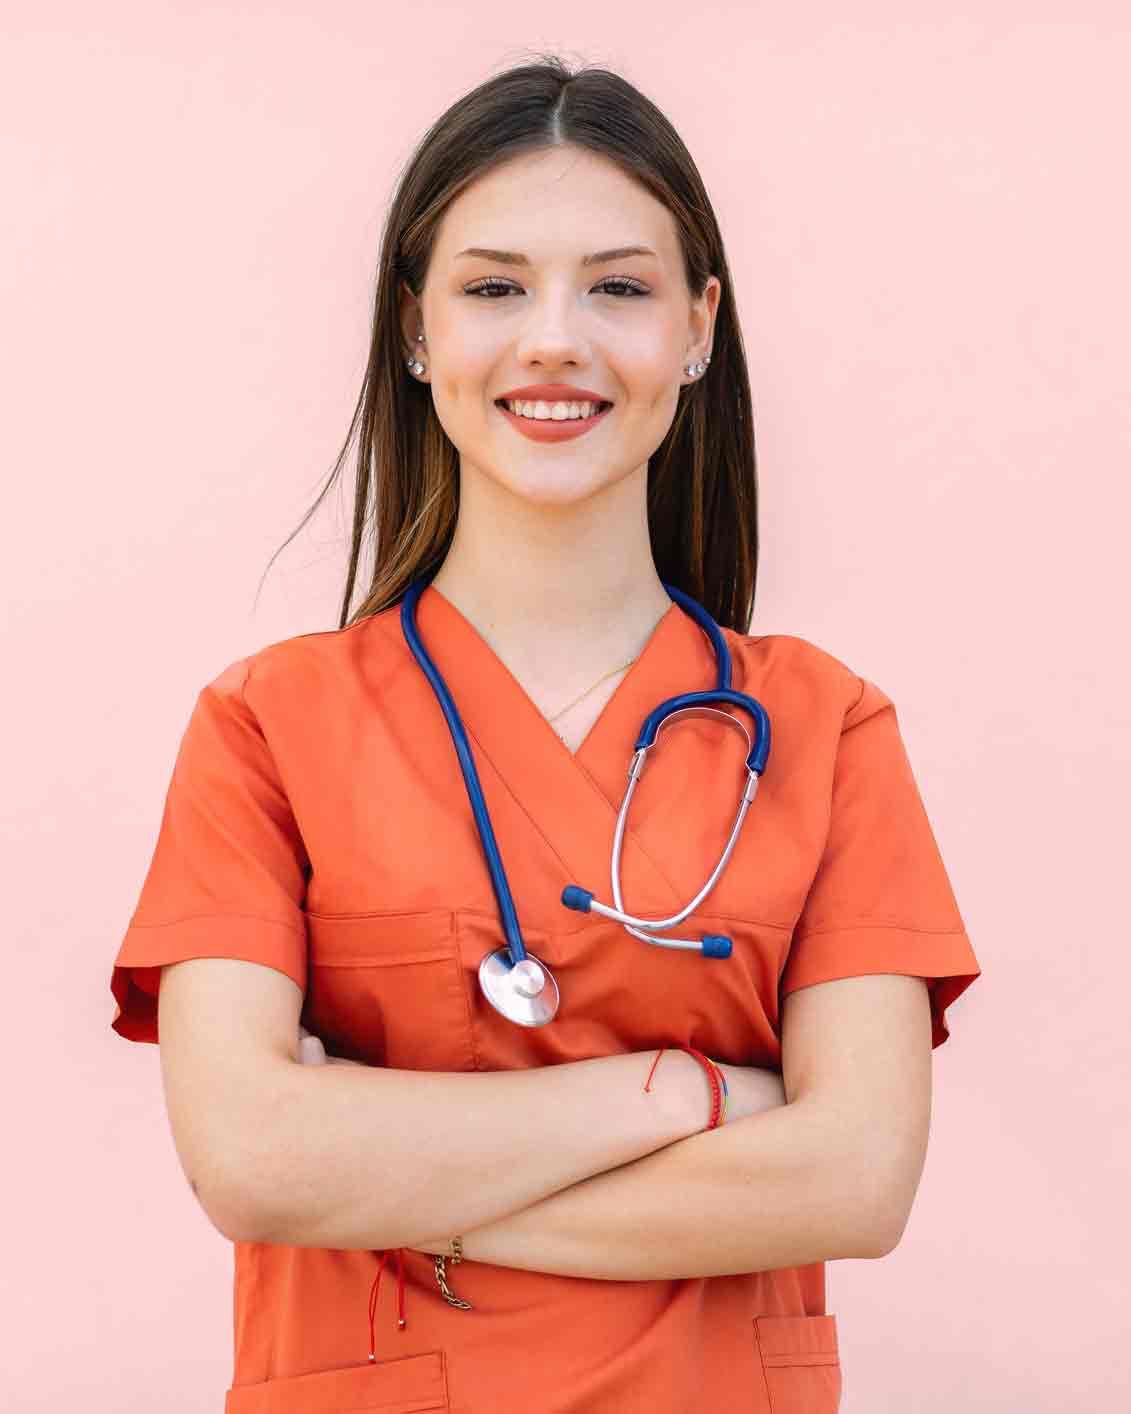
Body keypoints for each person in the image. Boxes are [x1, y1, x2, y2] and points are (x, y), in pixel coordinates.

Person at [109, 54, 982, 1414]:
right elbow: (250, 1158)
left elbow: (858, 1177)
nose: (555, 340)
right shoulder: (265, 728)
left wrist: (398, 1185)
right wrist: (689, 1091)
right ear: (416, 329)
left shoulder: (824, 729)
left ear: (699, 329)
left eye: (620, 287)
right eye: (495, 285)